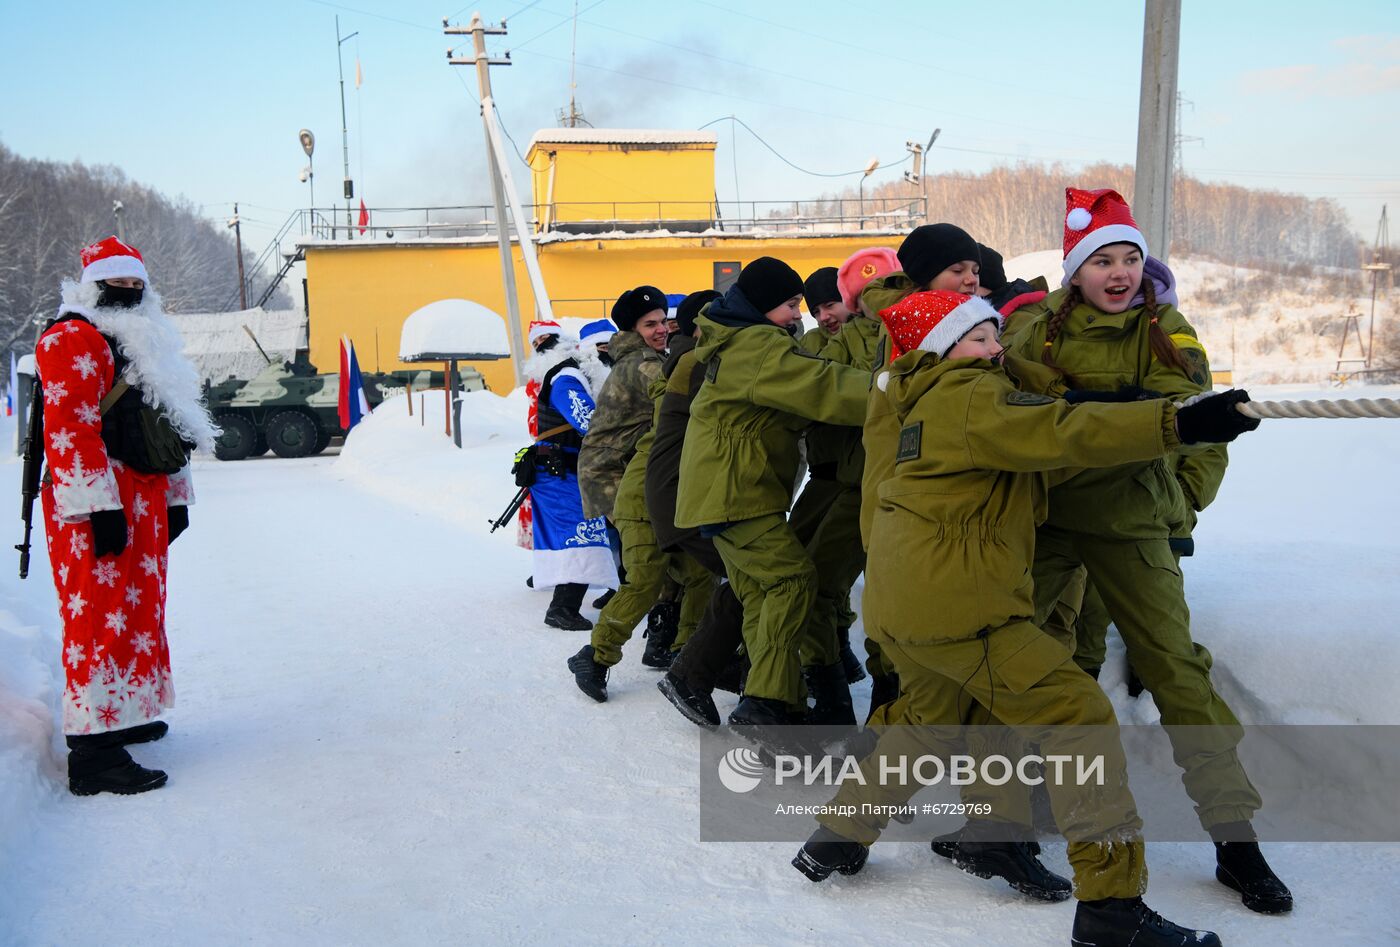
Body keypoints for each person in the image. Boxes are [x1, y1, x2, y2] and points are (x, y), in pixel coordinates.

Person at [795, 288, 1261, 947]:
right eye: (981, 338)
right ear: (944, 350)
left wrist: (1111, 402)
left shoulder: (901, 401)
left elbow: (1040, 424)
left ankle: (836, 837)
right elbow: (1057, 431)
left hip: (902, 606)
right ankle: (1113, 911)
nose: (996, 350)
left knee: (927, 718)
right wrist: (1176, 424)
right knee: (1080, 715)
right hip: (966, 610)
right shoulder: (968, 394)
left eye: (997, 337)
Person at [1003, 187, 1292, 916]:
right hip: (1047, 518)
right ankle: (1015, 802)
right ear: (1075, 269)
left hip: (1132, 520)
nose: (1120, 271)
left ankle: (1235, 838)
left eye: (1131, 257)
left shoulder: (1164, 326)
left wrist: (1179, 492)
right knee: (1021, 658)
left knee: (1176, 669)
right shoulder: (1033, 327)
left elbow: (1190, 413)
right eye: (1103, 259)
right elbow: (1008, 408)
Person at [35, 236, 219, 796]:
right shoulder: (73, 339)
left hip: (142, 499)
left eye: (138, 283)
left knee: (137, 614)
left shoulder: (143, 342)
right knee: (97, 618)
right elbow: (70, 430)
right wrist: (96, 508)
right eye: (120, 283)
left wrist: (175, 497)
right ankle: (93, 754)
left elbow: (171, 423)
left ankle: (126, 716)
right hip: (95, 503)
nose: (131, 291)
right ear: (93, 285)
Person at [674, 257, 870, 742]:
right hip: (736, 493)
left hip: (724, 493)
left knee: (762, 595)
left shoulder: (732, 341)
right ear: (762, 307)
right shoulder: (758, 346)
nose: (796, 316)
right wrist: (892, 389)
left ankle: (772, 708)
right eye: (789, 305)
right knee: (791, 580)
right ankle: (767, 704)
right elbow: (823, 387)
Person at [527, 323, 617, 630]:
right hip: (558, 470)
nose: (608, 354)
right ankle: (562, 608)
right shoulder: (569, 376)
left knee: (595, 529)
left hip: (573, 468)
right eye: (602, 347)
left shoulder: (590, 376)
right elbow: (588, 422)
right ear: (589, 349)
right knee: (582, 532)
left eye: (611, 346)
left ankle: (615, 589)